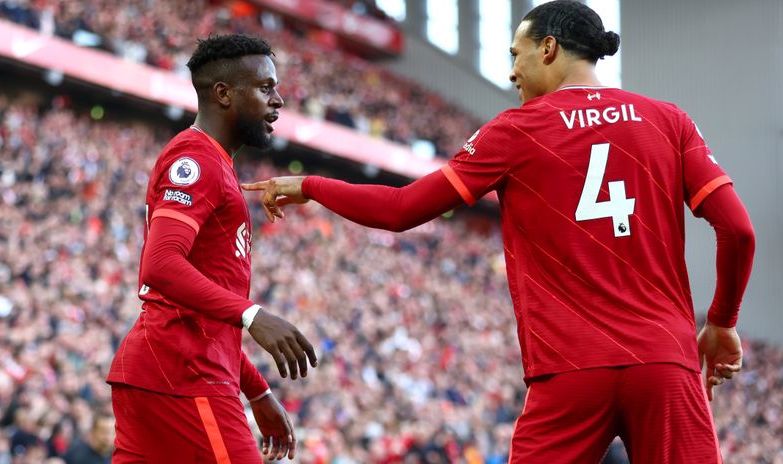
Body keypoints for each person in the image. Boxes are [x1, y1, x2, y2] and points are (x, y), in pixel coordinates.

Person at [242, 2, 755, 462]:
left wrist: (309, 184)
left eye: (517, 54)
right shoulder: (669, 121)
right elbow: (737, 230)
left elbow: (400, 209)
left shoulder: (515, 130)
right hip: (665, 362)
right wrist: (723, 322)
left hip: (569, 371)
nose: (511, 71)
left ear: (548, 48)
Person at [107, 34, 317, 463]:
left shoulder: (216, 161)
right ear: (223, 93)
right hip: (185, 376)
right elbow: (161, 266)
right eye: (265, 87)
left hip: (164, 371)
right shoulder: (197, 158)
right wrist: (253, 315)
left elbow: (199, 314)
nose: (277, 100)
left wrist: (256, 390)